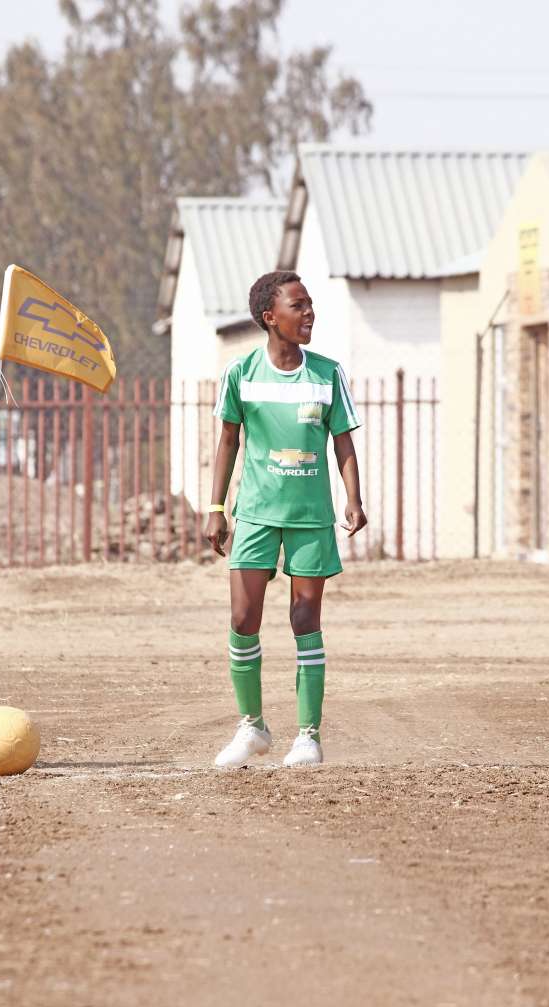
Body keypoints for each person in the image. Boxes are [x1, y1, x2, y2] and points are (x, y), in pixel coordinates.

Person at [206, 270, 366, 768]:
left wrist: (353, 498)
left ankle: (308, 736)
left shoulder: (327, 373)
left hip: (309, 517)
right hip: (255, 514)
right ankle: (252, 728)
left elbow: (343, 440)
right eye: (299, 306)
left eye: (311, 304)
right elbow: (228, 440)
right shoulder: (241, 372)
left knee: (304, 620)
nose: (309, 313)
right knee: (242, 618)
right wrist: (217, 509)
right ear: (269, 317)